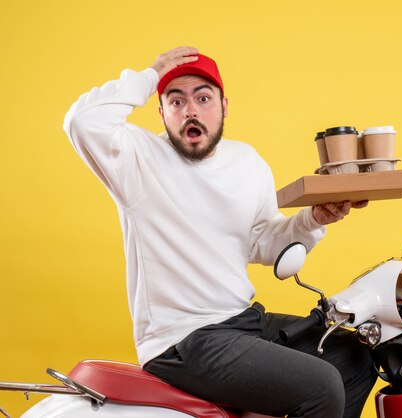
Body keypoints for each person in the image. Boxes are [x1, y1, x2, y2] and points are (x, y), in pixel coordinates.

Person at [64, 46, 377, 418]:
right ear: (160, 111)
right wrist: (150, 76)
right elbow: (82, 122)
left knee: (356, 357)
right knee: (322, 386)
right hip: (183, 340)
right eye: (175, 101)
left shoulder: (247, 161)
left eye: (202, 98)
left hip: (241, 321)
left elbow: (262, 242)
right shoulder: (137, 158)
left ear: (224, 106)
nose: (191, 110)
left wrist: (314, 220)